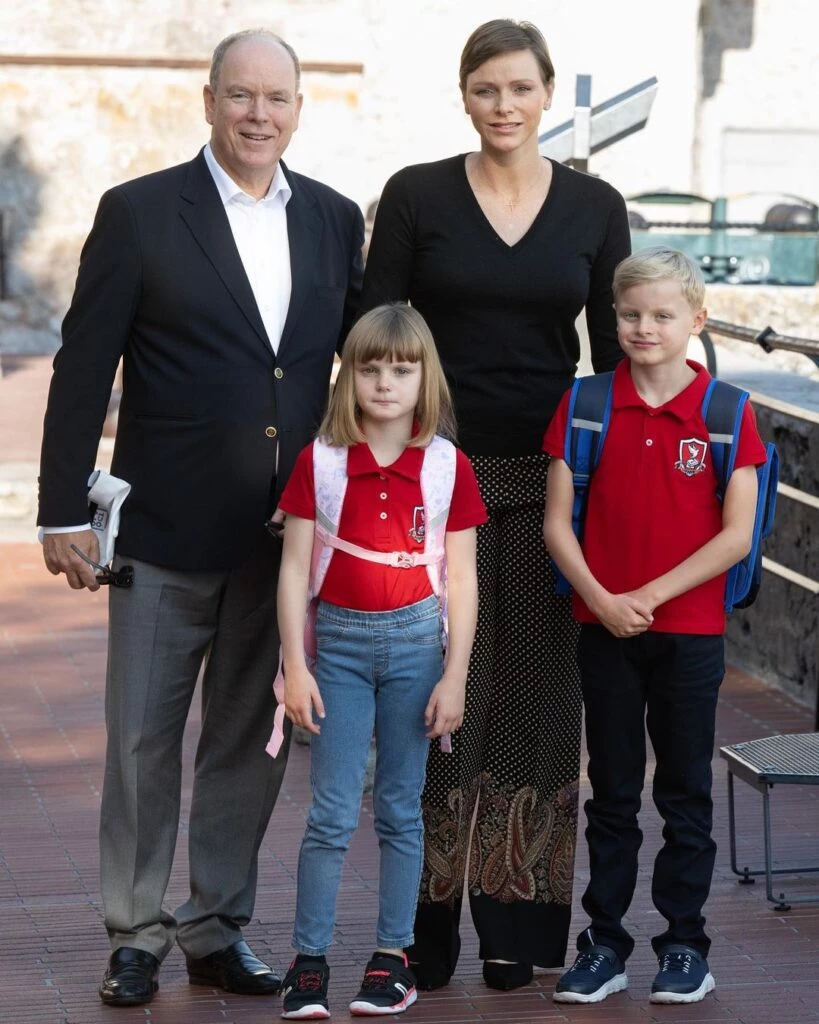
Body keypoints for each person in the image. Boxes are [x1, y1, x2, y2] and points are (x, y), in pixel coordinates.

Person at [37, 29, 363, 1007]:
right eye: (241, 96)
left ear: (300, 108)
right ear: (209, 100)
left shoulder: (335, 220)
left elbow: (370, 362)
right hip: (163, 536)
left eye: (277, 98)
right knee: (141, 741)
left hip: (282, 546)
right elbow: (83, 363)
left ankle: (215, 926)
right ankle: (134, 931)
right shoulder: (139, 214)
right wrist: (61, 509)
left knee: (246, 746)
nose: (258, 115)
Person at [360, 19, 630, 989]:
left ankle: (518, 927)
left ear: (546, 93)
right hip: (429, 486)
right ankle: (420, 929)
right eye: (486, 89)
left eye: (520, 88)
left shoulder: (596, 205)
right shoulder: (416, 195)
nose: (504, 105)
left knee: (538, 712)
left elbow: (614, 355)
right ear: (465, 96)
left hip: (545, 484)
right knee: (436, 710)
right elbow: (373, 337)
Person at [543, 247, 766, 1005]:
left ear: (695, 321)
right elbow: (555, 523)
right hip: (603, 626)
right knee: (609, 793)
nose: (644, 328)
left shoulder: (727, 413)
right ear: (612, 318)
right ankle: (603, 944)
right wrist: (604, 600)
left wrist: (648, 594)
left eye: (662, 315)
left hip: (691, 634)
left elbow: (735, 534)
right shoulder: (584, 405)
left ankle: (683, 946)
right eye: (630, 314)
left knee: (682, 793)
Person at [274, 304, 486, 1019]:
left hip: (418, 647)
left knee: (400, 808)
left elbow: (461, 578)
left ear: (426, 377)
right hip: (336, 648)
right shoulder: (321, 462)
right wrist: (294, 668)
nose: (386, 382)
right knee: (330, 811)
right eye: (369, 368)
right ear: (349, 376)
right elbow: (294, 567)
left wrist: (454, 676)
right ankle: (308, 962)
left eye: (402, 369)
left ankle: (392, 957)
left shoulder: (447, 466)